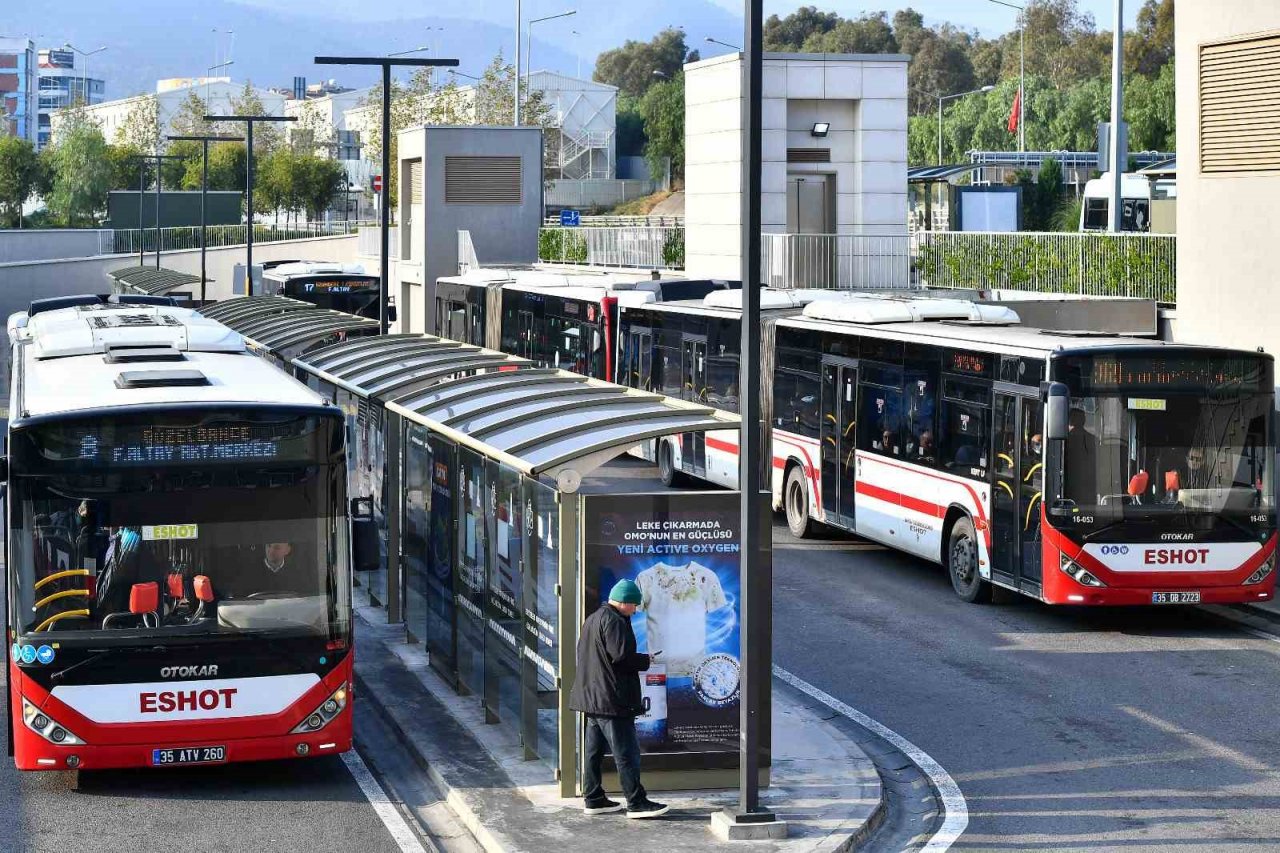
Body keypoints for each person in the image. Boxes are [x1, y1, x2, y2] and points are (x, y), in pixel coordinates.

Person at [567, 579, 670, 819]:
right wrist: (646, 660)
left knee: (592, 752)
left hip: (592, 698)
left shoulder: (593, 619)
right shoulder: (614, 621)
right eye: (634, 605)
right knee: (626, 752)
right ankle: (636, 801)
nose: (635, 610)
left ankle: (593, 798)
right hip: (611, 700)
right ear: (624, 603)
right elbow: (621, 657)